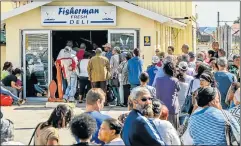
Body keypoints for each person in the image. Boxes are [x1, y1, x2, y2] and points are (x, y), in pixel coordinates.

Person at [155, 62, 180, 129]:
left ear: (164, 70)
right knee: (174, 130)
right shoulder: (175, 80)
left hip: (160, 109)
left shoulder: (158, 80)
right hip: (172, 109)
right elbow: (178, 90)